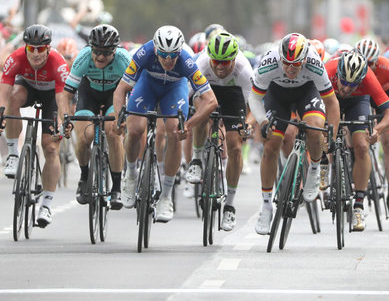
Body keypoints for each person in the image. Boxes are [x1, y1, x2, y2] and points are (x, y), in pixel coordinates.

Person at [113, 25, 217, 222]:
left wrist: (189, 124)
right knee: (135, 129)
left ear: (179, 51)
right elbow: (121, 90)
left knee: (174, 131)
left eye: (173, 56)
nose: (168, 60)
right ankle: (131, 174)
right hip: (148, 86)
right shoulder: (144, 52)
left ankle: (166, 196)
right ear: (156, 50)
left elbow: (211, 101)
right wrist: (119, 117)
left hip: (174, 89)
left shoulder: (186, 60)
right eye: (163, 55)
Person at [248, 33, 340, 235]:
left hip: (306, 92)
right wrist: (263, 121)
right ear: (280, 58)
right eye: (287, 63)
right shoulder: (269, 61)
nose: (290, 68)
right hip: (277, 96)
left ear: (305, 59)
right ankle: (266, 206)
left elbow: (332, 102)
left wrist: (332, 136)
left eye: (296, 64)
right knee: (271, 145)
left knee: (315, 127)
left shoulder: (315, 62)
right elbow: (254, 99)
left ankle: (314, 170)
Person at [0, 24, 69, 227]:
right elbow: (4, 92)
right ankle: (13, 154)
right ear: (26, 47)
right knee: (12, 100)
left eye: (41, 49)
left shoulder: (59, 64)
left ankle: (46, 204)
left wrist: (60, 123)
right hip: (27, 87)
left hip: (51, 97)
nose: (36, 54)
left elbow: (61, 100)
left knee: (50, 147)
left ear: (48, 48)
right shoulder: (16, 58)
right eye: (32, 48)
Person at [186, 32, 255, 231]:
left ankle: (230, 206)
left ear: (234, 59)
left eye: (225, 63)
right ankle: (197, 159)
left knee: (234, 147)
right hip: (207, 93)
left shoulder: (244, 70)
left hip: (234, 97)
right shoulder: (202, 64)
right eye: (216, 61)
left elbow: (255, 105)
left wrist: (248, 124)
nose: (219, 67)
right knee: (200, 113)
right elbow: (187, 95)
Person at [58, 24, 131, 210]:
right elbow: (66, 95)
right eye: (97, 51)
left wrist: (124, 118)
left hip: (113, 95)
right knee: (85, 137)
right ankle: (84, 176)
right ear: (91, 47)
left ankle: (116, 187)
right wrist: (66, 118)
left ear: (114, 51)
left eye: (106, 53)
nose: (100, 56)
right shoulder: (83, 57)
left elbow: (136, 92)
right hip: (88, 94)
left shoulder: (124, 60)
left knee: (113, 134)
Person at [325, 49, 389, 231]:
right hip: (330, 97)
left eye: (353, 84)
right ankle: (324, 167)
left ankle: (358, 204)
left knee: (362, 145)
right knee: (324, 132)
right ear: (339, 73)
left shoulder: (368, 78)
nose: (347, 88)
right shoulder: (328, 70)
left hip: (358, 103)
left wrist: (378, 131)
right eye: (344, 82)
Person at [355, 38, 389, 218]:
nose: (368, 67)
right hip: (362, 96)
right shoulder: (356, 67)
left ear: (378, 60)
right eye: (365, 63)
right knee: (357, 137)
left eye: (372, 63)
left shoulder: (388, 66)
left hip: (383, 96)